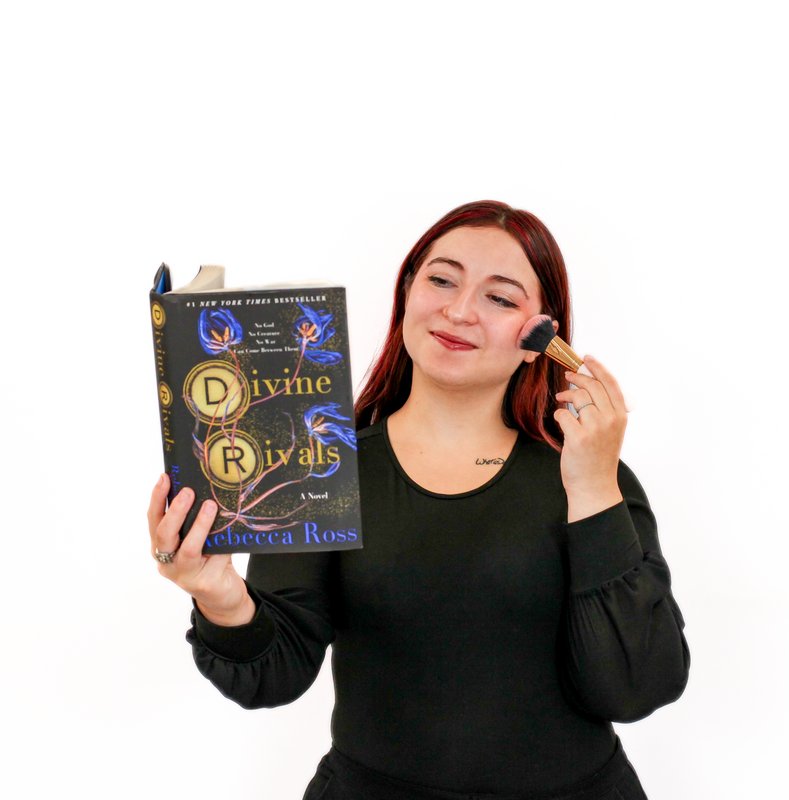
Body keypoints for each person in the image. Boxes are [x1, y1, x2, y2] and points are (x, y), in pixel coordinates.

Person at [148, 200, 690, 800]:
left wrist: (592, 487)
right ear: (407, 291)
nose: (459, 312)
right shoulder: (323, 469)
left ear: (543, 335)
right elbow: (275, 674)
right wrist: (221, 598)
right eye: (441, 280)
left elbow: (636, 688)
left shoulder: (591, 479)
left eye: (501, 298)